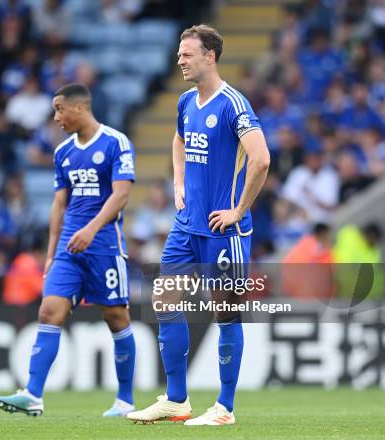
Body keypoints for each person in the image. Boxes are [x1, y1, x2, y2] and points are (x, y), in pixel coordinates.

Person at [127, 25, 270, 426]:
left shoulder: (233, 104)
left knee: (225, 313)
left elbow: (261, 159)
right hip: (187, 226)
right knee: (165, 301)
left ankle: (224, 408)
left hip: (224, 231)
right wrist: (178, 181)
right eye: (178, 54)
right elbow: (178, 139)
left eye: (187, 54)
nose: (179, 60)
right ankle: (176, 400)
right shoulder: (186, 102)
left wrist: (239, 210)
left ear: (210, 56)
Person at [0, 83, 136, 417]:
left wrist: (91, 229)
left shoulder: (116, 142)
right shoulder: (63, 152)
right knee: (49, 312)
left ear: (80, 108)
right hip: (69, 248)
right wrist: (51, 250)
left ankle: (125, 400)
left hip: (103, 246)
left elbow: (121, 195)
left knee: (116, 318)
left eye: (59, 109)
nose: (56, 117)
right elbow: (59, 204)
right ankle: (33, 394)